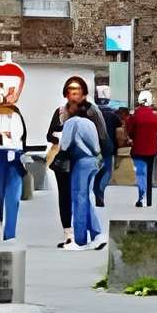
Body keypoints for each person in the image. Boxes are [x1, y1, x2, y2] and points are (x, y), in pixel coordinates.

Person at [55, 80, 103, 251]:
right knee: (87, 197)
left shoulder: (71, 123)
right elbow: (97, 145)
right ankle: (96, 233)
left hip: (80, 163)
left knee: (79, 199)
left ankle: (81, 240)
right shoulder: (89, 123)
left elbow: (65, 145)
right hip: (93, 162)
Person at [124, 90, 157, 207]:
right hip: (152, 150)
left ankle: (142, 198)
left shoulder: (134, 115)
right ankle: (149, 199)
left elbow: (130, 131)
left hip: (138, 149)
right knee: (149, 174)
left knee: (141, 173)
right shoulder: (155, 116)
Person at [0, 74, 26, 243]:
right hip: (5, 154)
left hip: (13, 155)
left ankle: (10, 233)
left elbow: (18, 135)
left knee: (12, 197)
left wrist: (6, 137)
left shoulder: (14, 113)